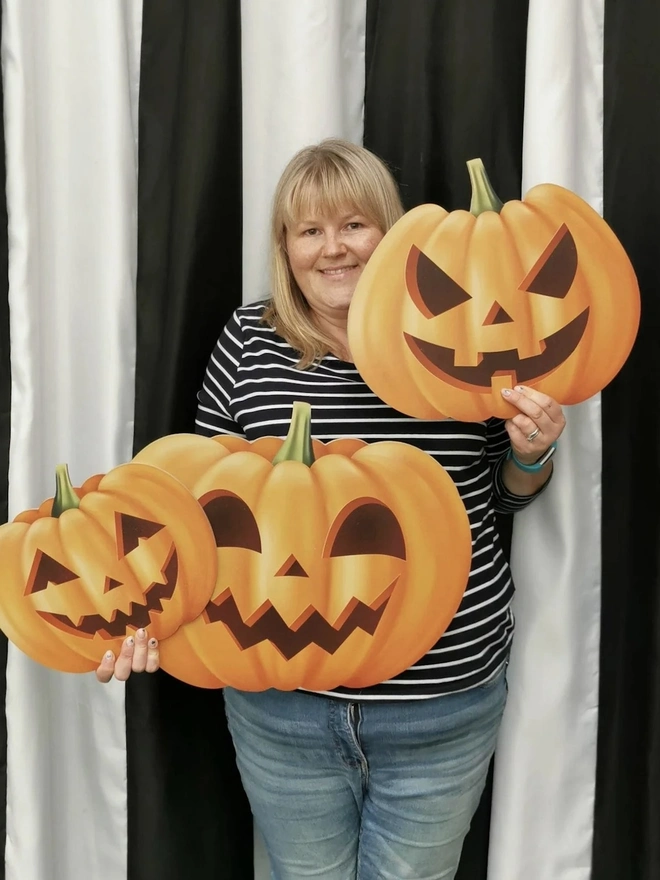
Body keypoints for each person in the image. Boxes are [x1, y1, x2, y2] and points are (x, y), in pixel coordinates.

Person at [97, 138, 565, 879]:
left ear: (391, 231)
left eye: (354, 224)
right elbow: (193, 515)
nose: (333, 248)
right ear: (286, 246)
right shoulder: (248, 340)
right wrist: (139, 613)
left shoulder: (460, 337)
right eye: (309, 229)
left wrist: (533, 452)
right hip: (284, 707)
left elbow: (502, 495)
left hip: (439, 701)